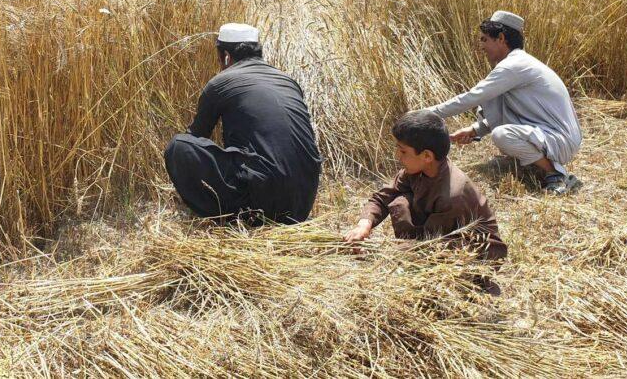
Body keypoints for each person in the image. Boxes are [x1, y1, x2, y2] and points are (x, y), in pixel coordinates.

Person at [163, 23, 322, 224]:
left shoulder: (221, 82)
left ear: (226, 56)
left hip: (264, 202)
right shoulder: (287, 81)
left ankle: (231, 218)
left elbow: (196, 137)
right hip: (302, 203)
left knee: (179, 146)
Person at [343, 111, 507, 294]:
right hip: (438, 236)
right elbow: (383, 196)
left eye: (403, 151)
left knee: (437, 280)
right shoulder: (417, 170)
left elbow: (430, 245)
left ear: (427, 156)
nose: (398, 155)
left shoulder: (452, 195)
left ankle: (476, 285)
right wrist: (364, 224)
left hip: (474, 251)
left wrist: (384, 254)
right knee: (400, 201)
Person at [427, 11, 582, 194]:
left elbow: (470, 98)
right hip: (555, 136)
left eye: (485, 40)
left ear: (501, 38)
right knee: (495, 102)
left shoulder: (513, 66)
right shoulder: (517, 63)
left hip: (561, 140)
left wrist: (425, 114)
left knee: (501, 135)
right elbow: (506, 110)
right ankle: (540, 163)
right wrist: (475, 130)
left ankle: (555, 174)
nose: (481, 46)